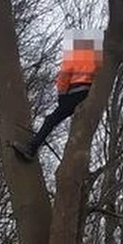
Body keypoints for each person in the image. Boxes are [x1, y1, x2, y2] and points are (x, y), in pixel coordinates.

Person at [12, 33, 104, 163]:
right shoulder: (98, 58)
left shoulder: (75, 56)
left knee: (51, 120)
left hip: (74, 93)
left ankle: (31, 148)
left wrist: (61, 96)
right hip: (88, 94)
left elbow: (63, 77)